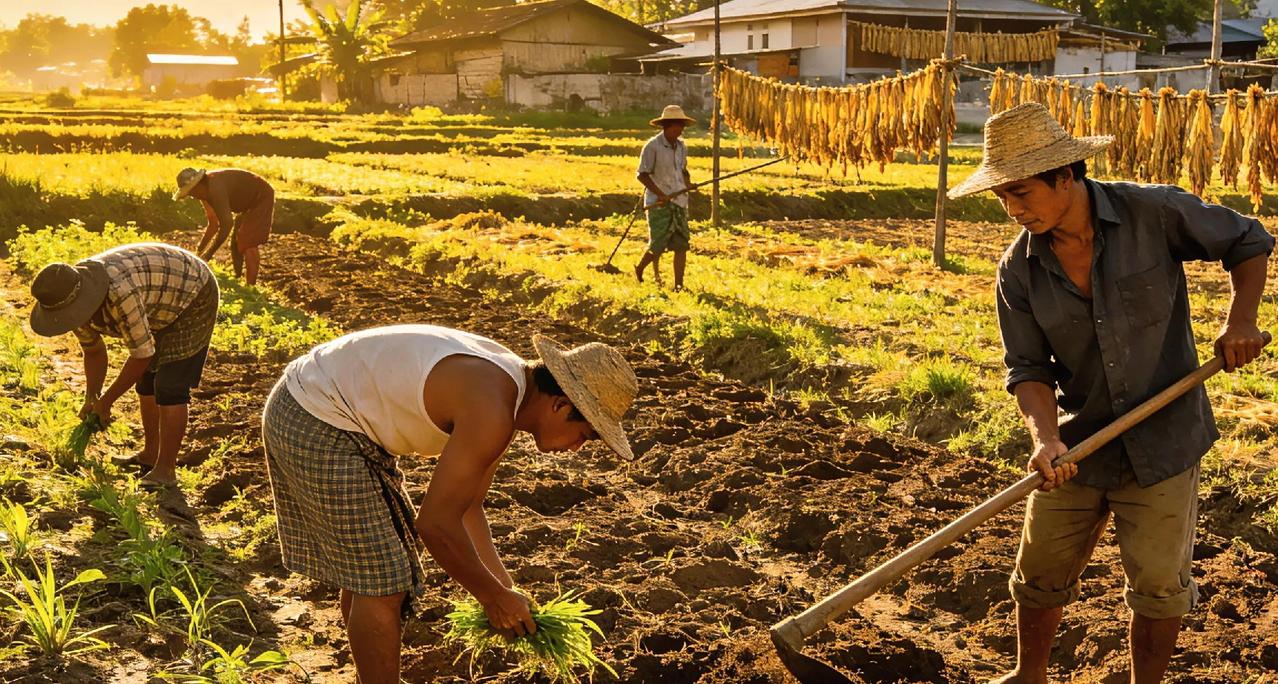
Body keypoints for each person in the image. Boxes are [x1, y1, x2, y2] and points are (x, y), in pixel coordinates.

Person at [948, 103, 1272, 684]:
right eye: (1002, 199)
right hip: (1078, 441)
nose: (1013, 209)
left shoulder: (1152, 211)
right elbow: (1027, 368)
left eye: (1021, 193)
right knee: (1040, 565)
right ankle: (1030, 676)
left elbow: (1248, 240)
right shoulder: (1018, 269)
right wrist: (1046, 438)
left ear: (1065, 176)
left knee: (1156, 584)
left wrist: (1240, 320)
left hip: (1164, 437)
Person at [260, 325, 639, 682]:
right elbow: (436, 524)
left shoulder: (508, 394)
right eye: (585, 435)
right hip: (314, 414)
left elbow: (468, 508)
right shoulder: (492, 408)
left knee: (377, 568)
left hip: (330, 409)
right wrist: (493, 599)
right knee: (384, 582)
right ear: (559, 405)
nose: (576, 447)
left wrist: (504, 591)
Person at [29, 243, 220, 486]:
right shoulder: (71, 308)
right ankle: (150, 455)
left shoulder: (119, 292)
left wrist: (106, 402)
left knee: (170, 386)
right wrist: (92, 397)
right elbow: (94, 352)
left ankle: (166, 470)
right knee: (146, 382)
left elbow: (142, 355)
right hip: (157, 299)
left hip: (192, 293)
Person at [174, 167, 275, 286]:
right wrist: (199, 252)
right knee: (236, 244)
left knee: (247, 241)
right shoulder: (204, 194)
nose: (193, 196)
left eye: (191, 192)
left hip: (261, 196)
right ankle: (238, 280)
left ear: (198, 185)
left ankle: (251, 288)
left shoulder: (215, 189)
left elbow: (226, 224)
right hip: (246, 203)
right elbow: (213, 224)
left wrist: (208, 254)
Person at [634, 104, 695, 292]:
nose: (681, 129)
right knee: (658, 244)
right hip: (658, 203)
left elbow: (683, 170)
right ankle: (640, 268)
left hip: (679, 200)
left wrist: (688, 184)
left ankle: (679, 284)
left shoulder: (682, 147)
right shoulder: (652, 147)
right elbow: (642, 174)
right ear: (667, 126)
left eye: (682, 126)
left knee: (681, 245)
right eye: (677, 125)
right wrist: (660, 194)